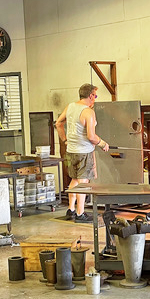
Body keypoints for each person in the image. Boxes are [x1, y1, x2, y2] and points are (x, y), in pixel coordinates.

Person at [55, 83, 110, 223]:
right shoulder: (88, 112)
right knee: (83, 183)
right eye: (95, 96)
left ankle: (71, 210)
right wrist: (102, 143)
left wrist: (65, 140)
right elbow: (91, 136)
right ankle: (80, 214)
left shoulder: (70, 107)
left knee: (75, 180)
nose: (95, 99)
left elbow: (58, 123)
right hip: (84, 152)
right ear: (91, 96)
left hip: (71, 151)